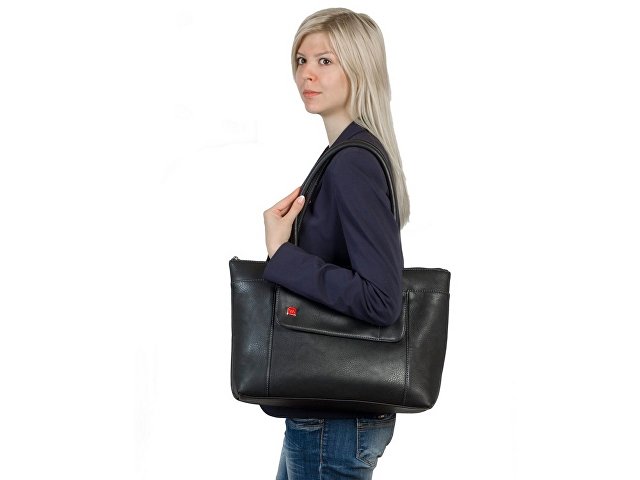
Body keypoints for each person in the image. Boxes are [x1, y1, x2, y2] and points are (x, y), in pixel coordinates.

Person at [261, 8, 410, 480]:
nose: (307, 73)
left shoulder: (352, 163)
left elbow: (381, 298)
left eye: (325, 61)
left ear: (359, 67)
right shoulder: (345, 154)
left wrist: (282, 255)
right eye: (301, 60)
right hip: (327, 412)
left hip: (332, 421)